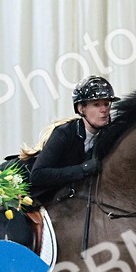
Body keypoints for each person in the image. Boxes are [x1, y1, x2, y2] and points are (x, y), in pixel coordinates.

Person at [25, 75, 119, 205]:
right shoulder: (64, 133)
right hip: (34, 195)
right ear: (81, 109)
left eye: (106, 104)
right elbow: (37, 175)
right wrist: (83, 169)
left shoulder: (109, 135)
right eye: (96, 104)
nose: (104, 110)